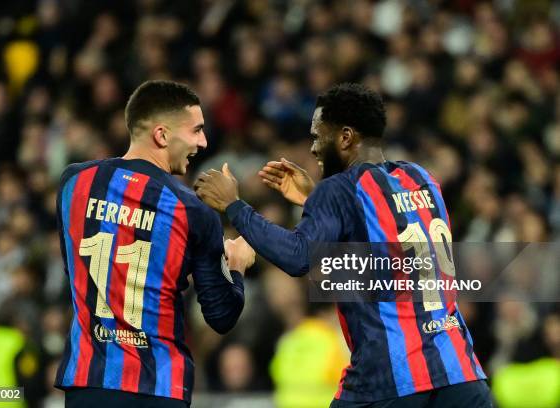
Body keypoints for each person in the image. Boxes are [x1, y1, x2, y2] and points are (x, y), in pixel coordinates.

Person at [194, 83, 492, 407]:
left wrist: (235, 206)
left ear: (345, 137)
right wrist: (314, 200)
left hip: (389, 380)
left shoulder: (339, 190)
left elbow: (298, 257)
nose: (313, 148)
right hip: (461, 374)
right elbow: (384, 241)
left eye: (317, 135)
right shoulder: (422, 178)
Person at [54, 80, 255, 408]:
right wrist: (236, 267)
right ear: (162, 135)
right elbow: (221, 316)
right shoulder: (192, 210)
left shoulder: (74, 182)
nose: (203, 142)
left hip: (89, 383)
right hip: (159, 387)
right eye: (196, 131)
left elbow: (74, 268)